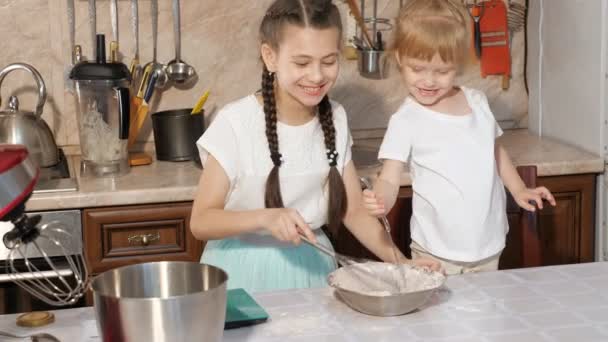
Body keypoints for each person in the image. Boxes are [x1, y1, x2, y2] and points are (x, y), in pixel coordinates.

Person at [189, 0, 440, 293]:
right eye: (302, 62)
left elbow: (354, 211)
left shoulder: (336, 117)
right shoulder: (234, 122)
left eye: (329, 61)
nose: (317, 75)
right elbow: (201, 220)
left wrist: (401, 263)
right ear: (270, 57)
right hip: (241, 273)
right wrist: (265, 217)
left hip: (313, 267)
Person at [362, 0, 556, 275]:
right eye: (417, 69)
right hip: (435, 251)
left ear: (458, 64)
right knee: (438, 317)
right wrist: (381, 199)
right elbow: (390, 177)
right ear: (400, 60)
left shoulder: (476, 102)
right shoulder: (406, 120)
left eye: (442, 71)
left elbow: (494, 151)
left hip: (488, 243)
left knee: (484, 315)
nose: (429, 81)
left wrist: (519, 189)